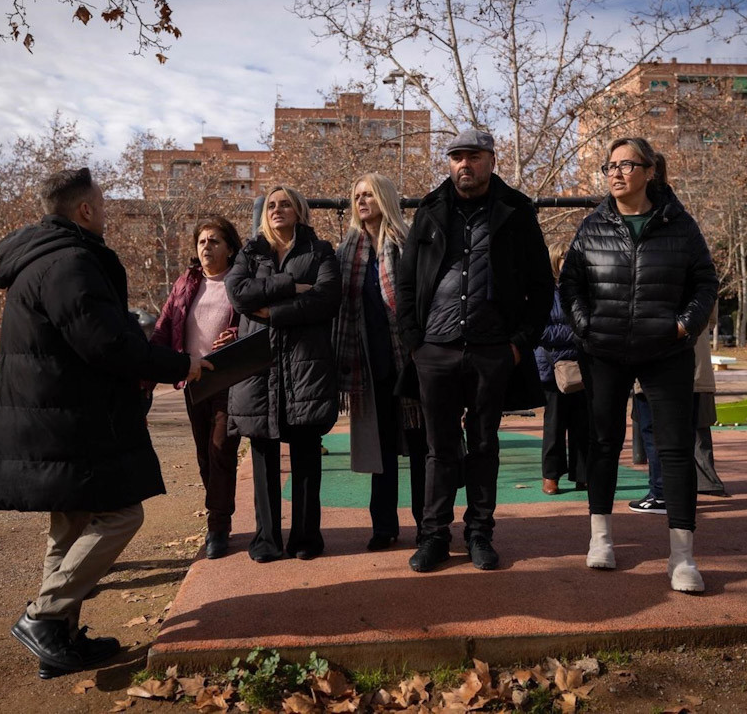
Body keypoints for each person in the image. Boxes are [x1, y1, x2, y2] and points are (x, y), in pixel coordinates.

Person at [0, 167, 207, 679]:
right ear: (84, 210)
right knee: (122, 515)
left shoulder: (38, 259)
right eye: (102, 205)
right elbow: (106, 343)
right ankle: (44, 617)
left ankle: (57, 643)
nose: (105, 213)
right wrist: (179, 364)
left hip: (55, 416)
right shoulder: (70, 262)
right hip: (71, 418)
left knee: (69, 525)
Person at [560, 137, 717, 593]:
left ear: (650, 171)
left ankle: (682, 558)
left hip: (666, 350)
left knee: (674, 449)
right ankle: (601, 540)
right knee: (603, 443)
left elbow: (705, 282)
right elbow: (570, 283)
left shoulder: (680, 225)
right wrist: (585, 325)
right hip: (603, 351)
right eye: (610, 165)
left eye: (626, 164)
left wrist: (684, 326)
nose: (615, 172)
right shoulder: (592, 225)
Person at [396, 129, 553, 573]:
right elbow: (406, 282)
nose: (464, 164)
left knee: (484, 444)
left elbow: (542, 286)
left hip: (492, 350)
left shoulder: (516, 210)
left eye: (474, 156)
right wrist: (415, 343)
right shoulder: (429, 210)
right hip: (435, 350)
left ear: (491, 160)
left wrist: (518, 345)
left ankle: (480, 534)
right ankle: (434, 536)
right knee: (439, 448)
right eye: (457, 157)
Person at [225, 185, 341, 563]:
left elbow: (326, 298)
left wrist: (273, 312)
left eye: (285, 204)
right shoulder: (250, 252)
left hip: (305, 367)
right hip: (259, 368)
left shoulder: (320, 251)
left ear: (298, 210)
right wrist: (291, 285)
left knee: (306, 453)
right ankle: (266, 540)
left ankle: (306, 538)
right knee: (262, 454)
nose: (277, 209)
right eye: (271, 205)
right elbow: (239, 294)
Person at [334, 173, 428, 550]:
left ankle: (428, 524)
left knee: (421, 447)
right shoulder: (347, 252)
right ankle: (384, 526)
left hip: (411, 360)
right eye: (357, 195)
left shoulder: (409, 243)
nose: (361, 201)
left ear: (384, 198)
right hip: (369, 366)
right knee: (381, 448)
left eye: (369, 194)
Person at [150, 215, 245, 559]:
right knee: (205, 456)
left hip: (227, 380)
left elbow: (255, 323)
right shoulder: (185, 283)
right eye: (202, 241)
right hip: (193, 380)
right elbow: (164, 327)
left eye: (214, 241)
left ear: (229, 248)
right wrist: (145, 370)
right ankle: (218, 514)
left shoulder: (240, 281)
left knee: (221, 451)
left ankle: (218, 525)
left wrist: (236, 334)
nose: (207, 246)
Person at [630, 304, 726, 514]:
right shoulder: (705, 283)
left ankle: (661, 493)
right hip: (695, 369)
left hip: (656, 365)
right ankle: (681, 495)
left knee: (655, 433)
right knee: (686, 435)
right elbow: (710, 319)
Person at [536, 238, 589, 496]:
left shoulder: (583, 291)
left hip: (582, 366)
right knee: (554, 425)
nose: (568, 261)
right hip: (553, 366)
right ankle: (551, 475)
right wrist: (575, 333)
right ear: (554, 260)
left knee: (583, 424)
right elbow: (541, 331)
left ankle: (583, 474)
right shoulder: (544, 293)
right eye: (564, 256)